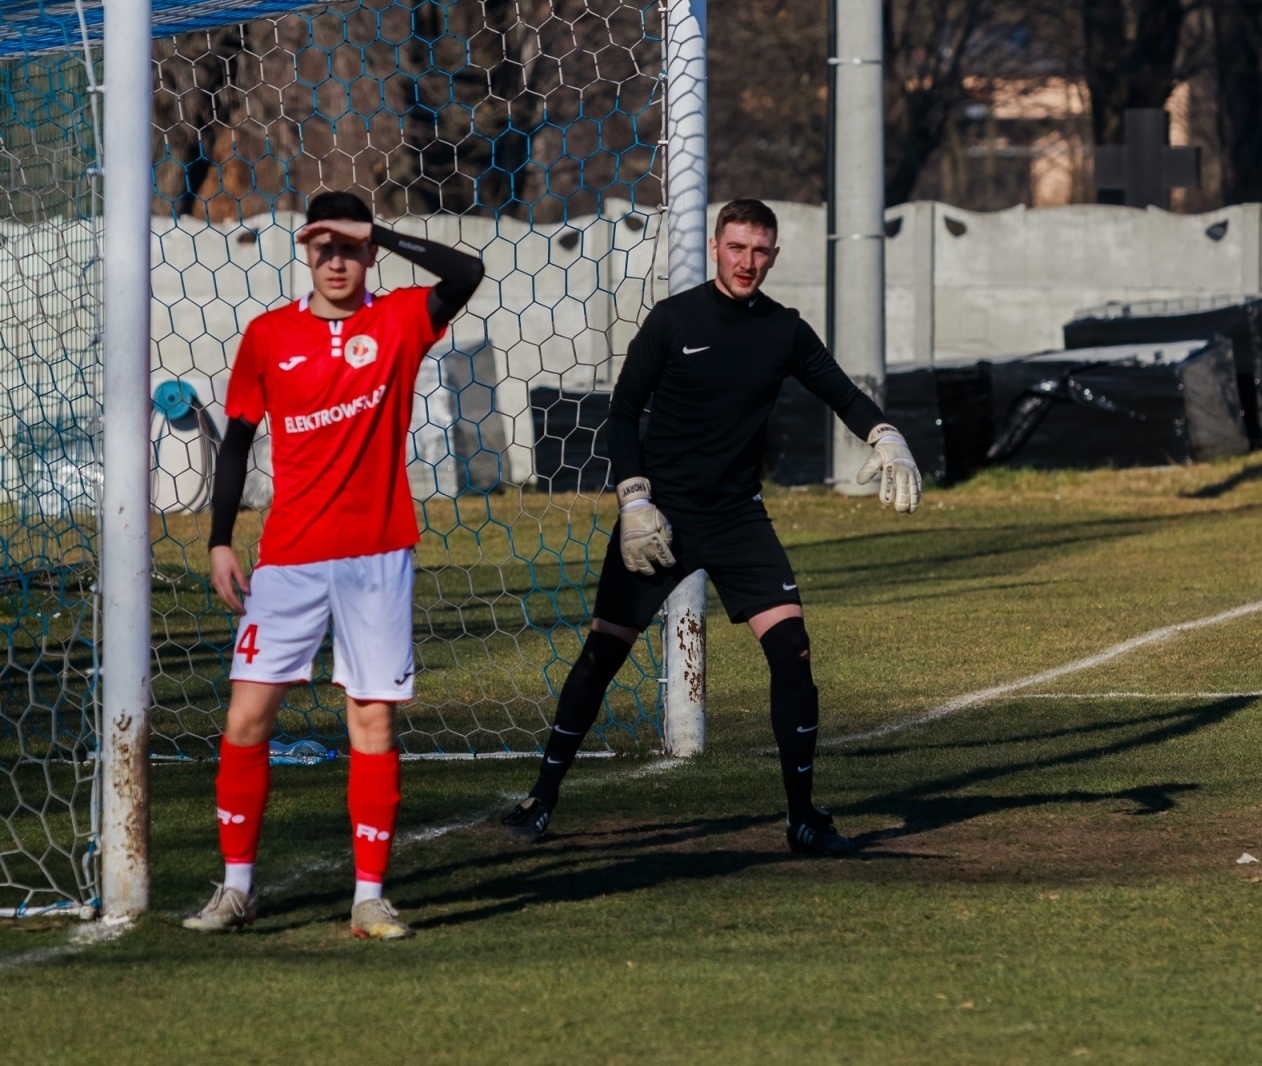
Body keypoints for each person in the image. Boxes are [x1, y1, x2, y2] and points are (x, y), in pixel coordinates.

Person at [501, 198, 920, 854]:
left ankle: (802, 817)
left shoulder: (784, 330)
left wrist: (886, 433)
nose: (748, 261)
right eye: (737, 248)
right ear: (716, 248)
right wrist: (635, 501)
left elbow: (840, 390)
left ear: (774, 256)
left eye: (761, 251)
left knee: (793, 652)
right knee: (603, 653)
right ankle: (540, 798)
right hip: (658, 519)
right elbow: (623, 413)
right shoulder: (675, 319)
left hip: (735, 518)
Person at [184, 190, 484, 938]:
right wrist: (221, 538)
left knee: (371, 720)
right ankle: (237, 888)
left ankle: (369, 897)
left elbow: (467, 272)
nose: (337, 260)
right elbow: (238, 441)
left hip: (379, 553)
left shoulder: (399, 322)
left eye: (350, 247)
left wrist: (374, 226)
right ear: (305, 253)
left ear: (368, 252)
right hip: (287, 558)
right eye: (324, 247)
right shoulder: (268, 336)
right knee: (247, 716)